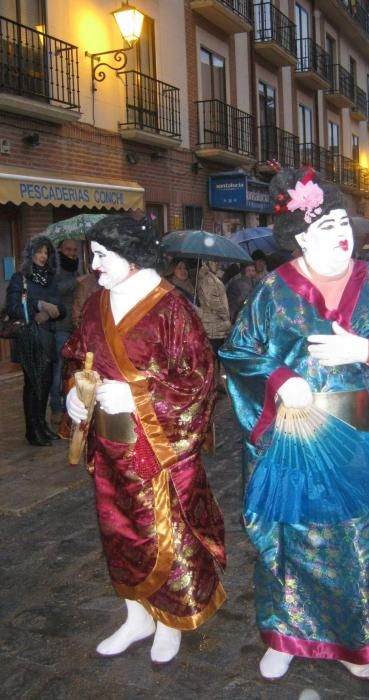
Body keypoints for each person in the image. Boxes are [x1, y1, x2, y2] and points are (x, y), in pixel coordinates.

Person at [220, 167, 369, 681]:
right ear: (298, 241)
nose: (339, 233)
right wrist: (278, 379)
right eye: (324, 226)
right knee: (295, 539)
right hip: (296, 437)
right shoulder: (272, 290)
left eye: (342, 220)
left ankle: (358, 638)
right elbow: (239, 352)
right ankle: (287, 635)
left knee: (360, 545)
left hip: (361, 442)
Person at [64, 215, 225, 664]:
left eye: (102, 255)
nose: (94, 265)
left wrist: (138, 394)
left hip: (158, 449)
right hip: (108, 445)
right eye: (91, 254)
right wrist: (76, 395)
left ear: (132, 256)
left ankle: (171, 620)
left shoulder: (172, 308)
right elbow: (77, 356)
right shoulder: (96, 305)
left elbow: (199, 378)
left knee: (166, 535)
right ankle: (135, 613)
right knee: (118, 533)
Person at [6, 235, 66, 446]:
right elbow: (13, 307)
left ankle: (41, 424)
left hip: (48, 337)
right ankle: (32, 430)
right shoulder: (19, 277)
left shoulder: (51, 279)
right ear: (30, 253)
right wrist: (38, 306)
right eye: (38, 252)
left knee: (47, 382)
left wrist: (53, 312)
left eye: (45, 252)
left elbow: (62, 308)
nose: (42, 256)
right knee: (33, 384)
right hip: (30, 338)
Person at [50, 239, 86, 423]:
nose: (72, 253)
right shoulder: (54, 270)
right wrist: (76, 281)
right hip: (61, 328)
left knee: (72, 370)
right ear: (60, 250)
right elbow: (54, 291)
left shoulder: (75, 269)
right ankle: (56, 407)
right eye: (68, 250)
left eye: (74, 250)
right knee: (58, 369)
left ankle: (68, 406)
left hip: (75, 328)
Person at [197, 260, 231, 388]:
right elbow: (214, 302)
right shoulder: (208, 279)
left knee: (214, 357)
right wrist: (225, 315)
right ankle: (213, 385)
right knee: (214, 356)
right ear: (207, 262)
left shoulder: (210, 277)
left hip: (215, 324)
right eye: (214, 261)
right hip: (213, 324)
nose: (218, 263)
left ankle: (214, 384)